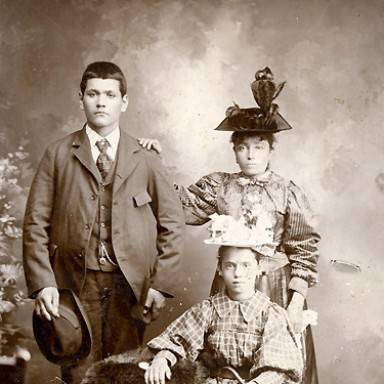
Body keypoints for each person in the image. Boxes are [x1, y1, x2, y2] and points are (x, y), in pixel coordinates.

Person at [138, 67, 320, 383]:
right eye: (243, 147)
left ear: (271, 149)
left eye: (259, 147)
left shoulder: (287, 191)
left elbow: (305, 249)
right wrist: (156, 164)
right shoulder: (220, 187)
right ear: (234, 149)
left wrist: (296, 303)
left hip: (275, 287)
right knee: (224, 362)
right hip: (230, 282)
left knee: (278, 366)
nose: (251, 155)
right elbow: (181, 207)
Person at [22, 61, 185, 384]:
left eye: (110, 95)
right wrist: (43, 284)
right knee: (79, 371)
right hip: (73, 287)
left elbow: (173, 224)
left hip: (131, 289)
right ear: (80, 98)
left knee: (124, 371)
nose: (101, 102)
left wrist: (160, 285)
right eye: (93, 93)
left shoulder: (146, 157)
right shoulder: (58, 154)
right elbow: (35, 224)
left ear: (124, 102)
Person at [81, 217, 305, 384]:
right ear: (219, 269)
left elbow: (277, 370)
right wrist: (163, 359)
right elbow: (179, 341)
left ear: (259, 269)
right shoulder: (208, 310)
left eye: (246, 266)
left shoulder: (271, 314)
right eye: (230, 266)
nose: (238, 274)